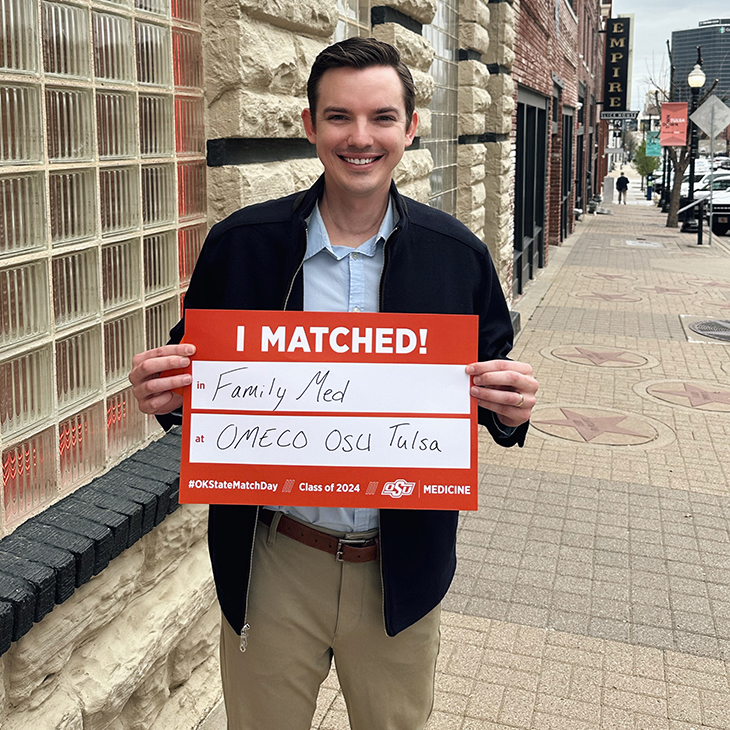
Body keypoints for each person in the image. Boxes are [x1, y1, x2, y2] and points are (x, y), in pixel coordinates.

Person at [129, 38, 538, 730]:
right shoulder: (243, 246)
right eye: (339, 117)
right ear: (308, 126)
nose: (360, 138)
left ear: (410, 127)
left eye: (382, 117)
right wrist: (164, 393)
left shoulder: (455, 256)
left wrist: (511, 405)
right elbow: (197, 382)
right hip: (276, 559)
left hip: (400, 564)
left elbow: (493, 387)